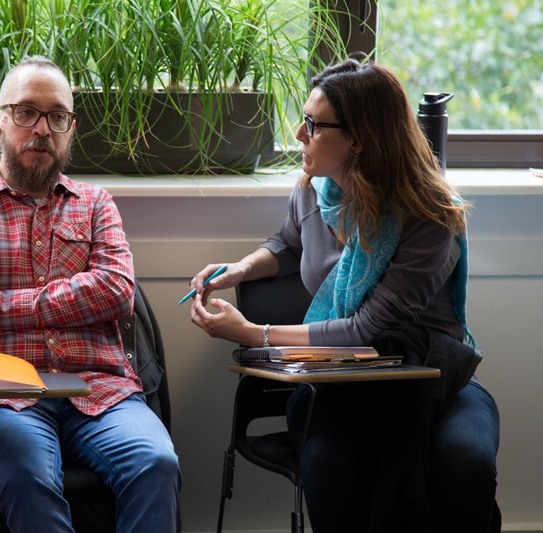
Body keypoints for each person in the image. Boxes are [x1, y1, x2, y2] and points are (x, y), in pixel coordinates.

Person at [188, 59, 500, 533]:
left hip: (430, 378)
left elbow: (365, 331)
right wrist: (240, 269)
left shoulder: (428, 215)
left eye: (313, 125)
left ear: (359, 139)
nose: (299, 133)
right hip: (335, 383)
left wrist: (255, 334)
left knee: (465, 463)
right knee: (329, 468)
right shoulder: (314, 191)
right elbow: (287, 244)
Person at [0, 55, 181, 532]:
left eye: (57, 116)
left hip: (99, 389)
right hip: (0, 395)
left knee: (156, 463)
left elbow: (116, 291)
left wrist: (1, 312)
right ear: (0, 120)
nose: (42, 128)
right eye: (26, 112)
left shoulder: (95, 203)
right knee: (30, 473)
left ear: (71, 128)